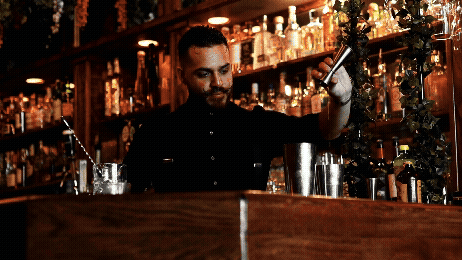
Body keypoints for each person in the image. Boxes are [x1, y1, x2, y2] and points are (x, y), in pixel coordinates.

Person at [124, 25, 352, 193]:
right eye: (204, 74)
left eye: (224, 71)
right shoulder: (154, 133)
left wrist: (341, 100)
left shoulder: (257, 124)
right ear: (181, 76)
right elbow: (124, 199)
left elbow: (324, 130)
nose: (218, 83)